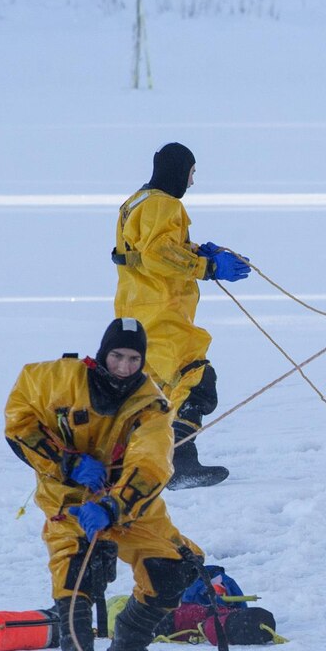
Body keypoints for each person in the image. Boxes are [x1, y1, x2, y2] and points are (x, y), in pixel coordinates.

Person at [5, 318, 203, 651]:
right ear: (102, 353)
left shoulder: (153, 406)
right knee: (78, 567)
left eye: (133, 359)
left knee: (174, 568)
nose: (125, 367)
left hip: (128, 504)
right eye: (117, 356)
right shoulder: (53, 378)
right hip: (70, 499)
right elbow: (19, 423)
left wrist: (114, 506)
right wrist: (67, 461)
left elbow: (150, 465)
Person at [111, 141, 250, 489]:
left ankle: (143, 463)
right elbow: (158, 254)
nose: (191, 183)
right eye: (191, 174)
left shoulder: (137, 201)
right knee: (196, 381)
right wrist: (208, 265)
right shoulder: (163, 204)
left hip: (136, 311)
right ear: (178, 171)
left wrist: (194, 248)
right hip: (162, 314)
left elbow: (149, 248)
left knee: (156, 393)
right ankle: (181, 464)